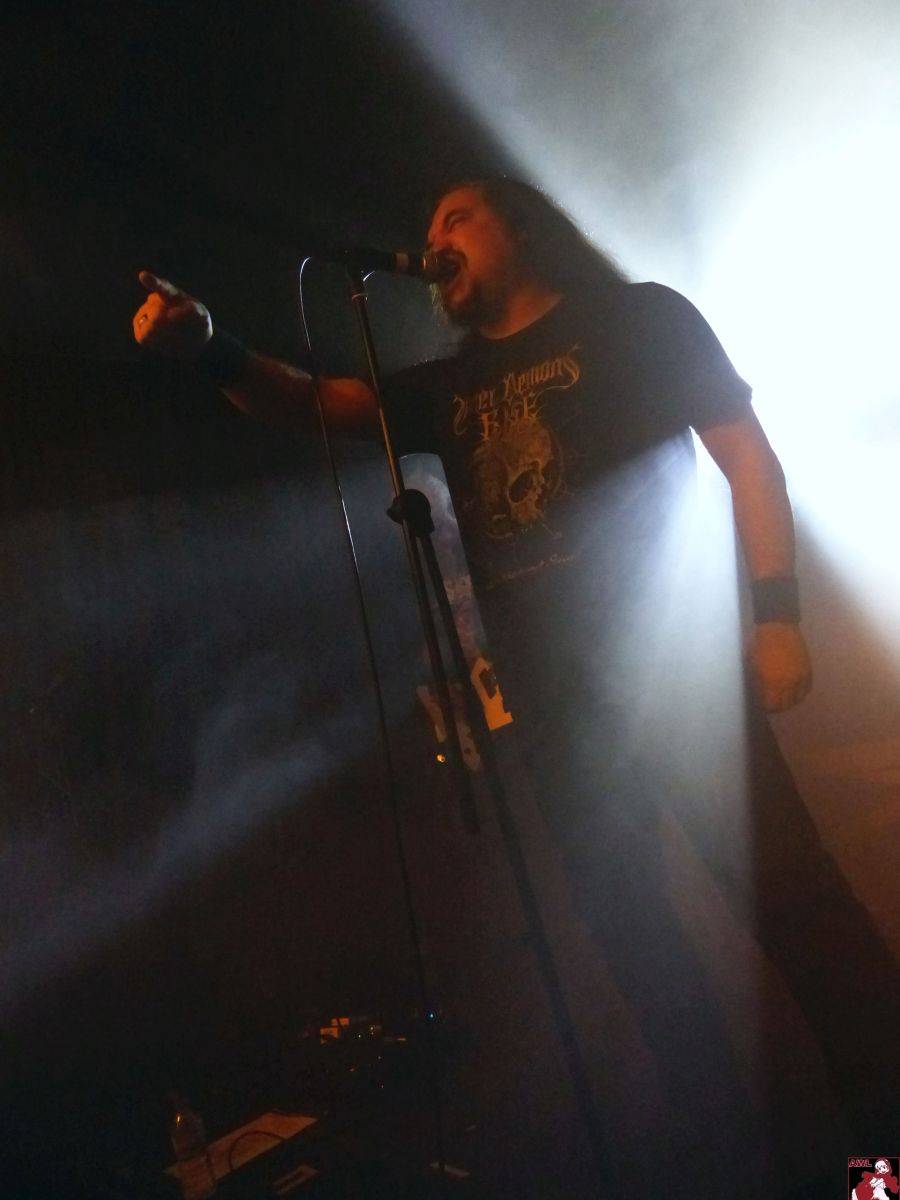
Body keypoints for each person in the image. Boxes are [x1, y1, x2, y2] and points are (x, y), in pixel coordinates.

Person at [132, 179, 898, 1177]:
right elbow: (317, 402)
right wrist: (213, 347)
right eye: (426, 228)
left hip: (677, 679)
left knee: (798, 910)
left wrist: (777, 612)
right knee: (637, 955)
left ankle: (885, 1152)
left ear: (520, 228)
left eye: (456, 218)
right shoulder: (449, 385)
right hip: (555, 714)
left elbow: (747, 456)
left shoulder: (639, 318)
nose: (434, 240)